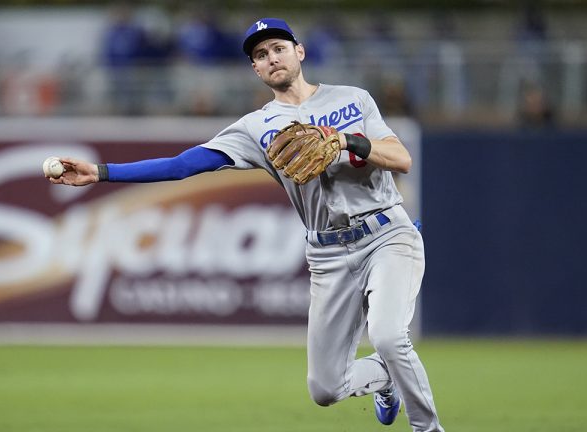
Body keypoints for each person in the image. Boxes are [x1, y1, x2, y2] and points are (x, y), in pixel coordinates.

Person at [48, 18, 444, 432]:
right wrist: (101, 171)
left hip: (386, 233)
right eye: (260, 55)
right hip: (328, 255)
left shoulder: (353, 99)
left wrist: (345, 140)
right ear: (255, 70)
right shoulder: (257, 128)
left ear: (299, 51)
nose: (271, 58)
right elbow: (182, 166)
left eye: (278, 48)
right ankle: (385, 377)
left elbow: (401, 159)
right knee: (326, 387)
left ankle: (427, 428)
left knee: (386, 333)